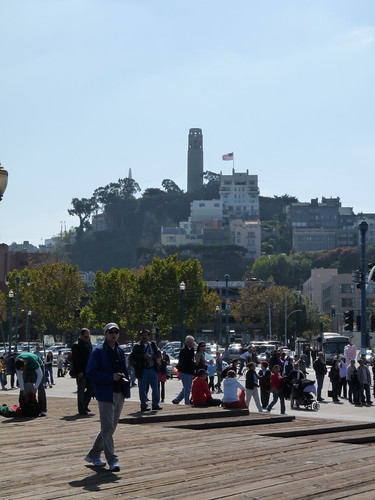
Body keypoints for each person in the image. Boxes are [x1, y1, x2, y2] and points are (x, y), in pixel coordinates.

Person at [85, 322, 130, 472]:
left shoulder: (119, 350)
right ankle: (112, 460)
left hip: (119, 391)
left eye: (116, 332)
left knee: (110, 427)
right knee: (108, 427)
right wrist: (110, 377)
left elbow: (124, 369)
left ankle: (93, 454)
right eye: (110, 332)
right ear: (105, 334)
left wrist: (126, 387)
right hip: (105, 393)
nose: (114, 334)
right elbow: (91, 372)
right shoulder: (98, 351)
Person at [130, 329, 161, 412]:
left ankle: (155, 404)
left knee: (155, 387)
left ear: (149, 336)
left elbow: (158, 354)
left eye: (146, 335)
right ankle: (144, 405)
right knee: (142, 388)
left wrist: (153, 357)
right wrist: (143, 356)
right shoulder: (137, 346)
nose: (144, 337)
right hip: (142, 369)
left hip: (152, 368)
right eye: (142, 335)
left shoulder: (153, 344)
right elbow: (133, 356)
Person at [15, 351, 47, 417]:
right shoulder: (17, 363)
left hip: (38, 366)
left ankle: (43, 409)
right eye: (20, 370)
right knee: (25, 385)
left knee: (40, 387)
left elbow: (40, 375)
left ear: (25, 364)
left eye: (22, 369)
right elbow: (20, 377)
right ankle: (24, 407)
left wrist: (35, 388)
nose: (21, 371)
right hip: (26, 367)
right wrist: (22, 389)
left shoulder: (32, 360)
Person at [72, 327, 94, 415]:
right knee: (81, 389)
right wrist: (79, 371)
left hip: (89, 370)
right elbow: (76, 360)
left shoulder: (89, 344)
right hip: (81, 371)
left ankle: (85, 405)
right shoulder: (76, 345)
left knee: (91, 388)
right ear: (81, 335)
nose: (87, 338)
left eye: (88, 337)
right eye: (85, 337)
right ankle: (81, 409)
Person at [172, 335, 195, 405]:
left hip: (188, 371)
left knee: (186, 387)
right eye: (190, 342)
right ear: (186, 342)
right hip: (185, 371)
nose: (191, 344)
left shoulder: (190, 350)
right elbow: (187, 359)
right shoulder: (184, 350)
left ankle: (177, 399)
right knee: (187, 388)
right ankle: (187, 402)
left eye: (192, 342)